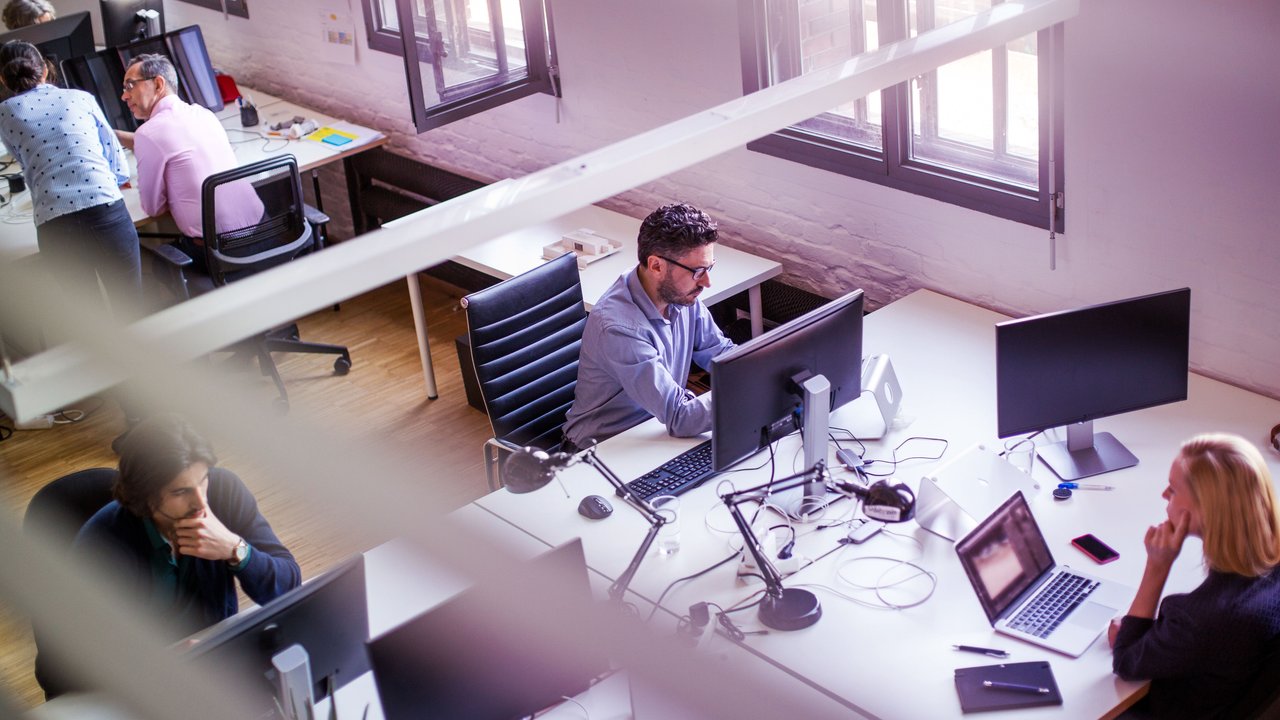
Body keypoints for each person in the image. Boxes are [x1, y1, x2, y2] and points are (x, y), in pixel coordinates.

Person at [74, 413, 301, 638]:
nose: (202, 502)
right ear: (143, 495)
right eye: (180, 492)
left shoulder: (224, 491)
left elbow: (289, 586)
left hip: (220, 648)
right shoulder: (100, 546)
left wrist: (236, 549)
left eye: (203, 480)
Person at [1110, 433, 1280, 719]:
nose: (1164, 494)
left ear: (1206, 511)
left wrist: (1157, 567)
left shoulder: (1199, 620)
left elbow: (1126, 661)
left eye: (1173, 490)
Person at [563, 202, 735, 448]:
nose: (707, 282)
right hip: (601, 451)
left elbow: (721, 353)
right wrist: (747, 396)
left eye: (709, 268)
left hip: (654, 432)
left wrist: (762, 372)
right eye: (698, 272)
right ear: (656, 265)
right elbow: (679, 415)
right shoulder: (620, 327)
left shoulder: (682, 296)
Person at [0, 40, 140, 315]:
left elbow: (21, 156)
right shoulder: (80, 97)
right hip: (106, 212)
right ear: (45, 69)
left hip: (55, 225)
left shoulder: (4, 114)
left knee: (88, 319)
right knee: (131, 310)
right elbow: (118, 163)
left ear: (2, 78)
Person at [116, 53, 262, 271]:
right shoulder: (203, 114)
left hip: (219, 253)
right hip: (265, 232)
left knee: (156, 264)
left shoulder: (149, 133)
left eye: (130, 85)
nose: (124, 96)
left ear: (158, 84)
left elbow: (153, 208)